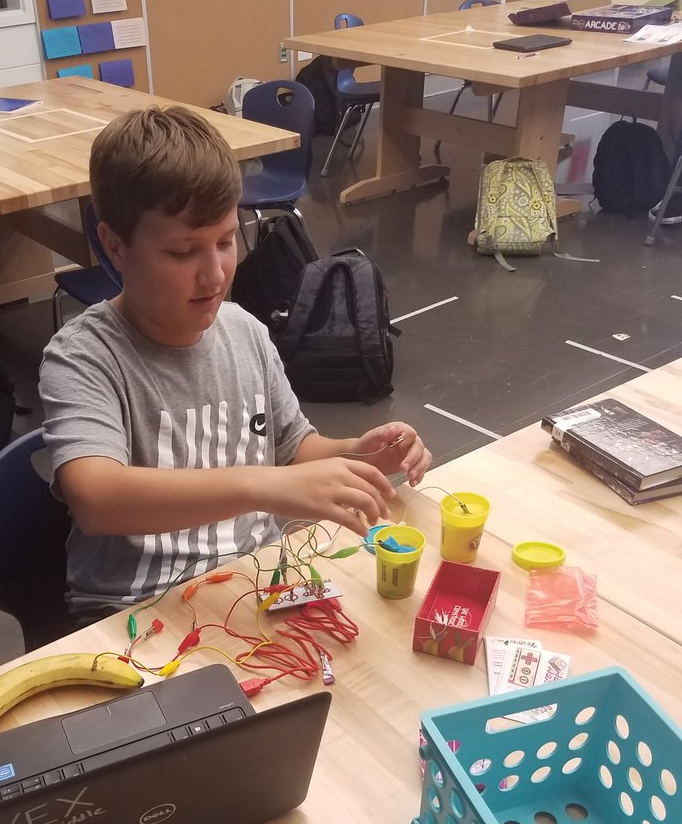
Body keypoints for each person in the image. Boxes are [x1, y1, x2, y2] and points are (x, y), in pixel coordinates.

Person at [40, 105, 431, 626]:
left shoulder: (243, 330)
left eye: (226, 242)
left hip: (252, 582)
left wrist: (358, 454)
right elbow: (97, 498)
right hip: (133, 608)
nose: (216, 274)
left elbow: (293, 450)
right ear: (116, 246)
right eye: (184, 252)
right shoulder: (85, 356)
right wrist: (261, 485)